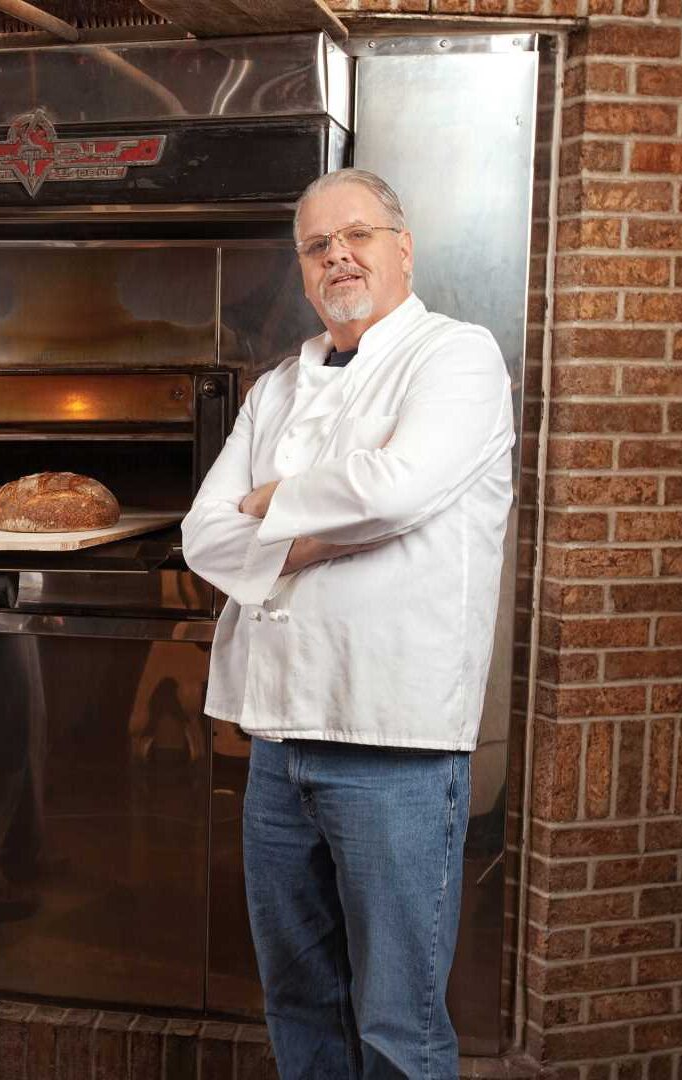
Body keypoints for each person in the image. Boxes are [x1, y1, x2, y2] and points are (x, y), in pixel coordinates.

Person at [181, 168, 514, 1079]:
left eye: (357, 236)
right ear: (302, 269)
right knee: (299, 1004)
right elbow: (204, 535)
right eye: (318, 246)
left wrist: (272, 503)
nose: (338, 257)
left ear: (403, 248)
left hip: (393, 743)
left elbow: (398, 488)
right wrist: (315, 537)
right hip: (276, 743)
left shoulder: (457, 356)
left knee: (397, 1026)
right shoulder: (278, 387)